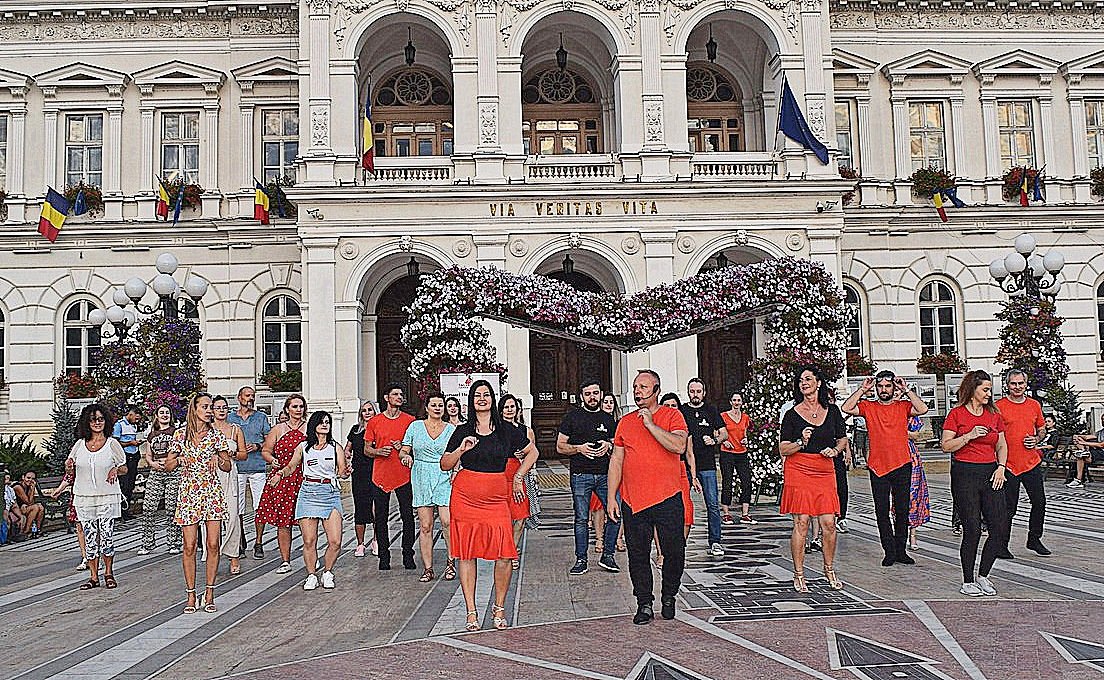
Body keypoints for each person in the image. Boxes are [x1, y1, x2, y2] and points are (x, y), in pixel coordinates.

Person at [442, 379, 538, 631]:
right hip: (465, 497)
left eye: (486, 394)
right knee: (466, 553)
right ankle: (471, 611)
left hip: (496, 499)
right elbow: (445, 464)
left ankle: (499, 607)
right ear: (471, 401)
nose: (482, 399)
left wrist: (518, 477)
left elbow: (533, 453)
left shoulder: (506, 429)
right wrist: (461, 450)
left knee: (505, 554)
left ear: (492, 399)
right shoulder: (462, 430)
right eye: (477, 395)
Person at [609, 371, 689, 625]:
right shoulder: (625, 422)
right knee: (638, 554)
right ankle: (644, 602)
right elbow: (617, 460)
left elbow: (679, 446)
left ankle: (669, 595)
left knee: (674, 551)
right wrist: (611, 496)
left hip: (668, 497)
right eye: (635, 387)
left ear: (656, 390)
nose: (637, 391)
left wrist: (651, 425)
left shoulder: (672, 415)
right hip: (634, 500)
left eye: (643, 387)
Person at [841, 370, 928, 567]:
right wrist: (863, 389)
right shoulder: (869, 406)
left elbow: (922, 409)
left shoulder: (903, 406)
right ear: (876, 388)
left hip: (902, 464)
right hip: (878, 466)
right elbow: (847, 407)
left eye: (888, 386)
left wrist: (905, 389)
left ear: (893, 387)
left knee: (902, 510)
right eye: (880, 386)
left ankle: (901, 551)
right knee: (881, 511)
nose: (884, 390)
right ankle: (889, 551)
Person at [941, 370, 1009, 597]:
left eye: (990, 389)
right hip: (965, 473)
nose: (989, 393)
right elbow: (946, 446)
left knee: (1000, 527)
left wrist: (1001, 467)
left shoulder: (993, 415)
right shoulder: (957, 414)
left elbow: (1001, 444)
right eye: (985, 389)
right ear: (972, 390)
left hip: (991, 473)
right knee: (972, 529)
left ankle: (984, 576)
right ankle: (968, 580)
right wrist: (968, 435)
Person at [779, 366, 847, 592]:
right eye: (800, 380)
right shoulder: (791, 414)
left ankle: (829, 569)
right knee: (802, 522)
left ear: (818, 383)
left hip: (825, 468)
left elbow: (842, 439)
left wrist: (835, 451)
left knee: (829, 523)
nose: (803, 383)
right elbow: (783, 448)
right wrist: (801, 442)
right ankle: (798, 574)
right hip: (799, 468)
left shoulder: (833, 411)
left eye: (808, 379)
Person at [166, 393, 234, 612]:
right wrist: (178, 460)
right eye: (205, 406)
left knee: (213, 543)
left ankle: (210, 592)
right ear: (194, 408)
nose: (209, 411)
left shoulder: (216, 436)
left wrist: (220, 459)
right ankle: (190, 595)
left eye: (210, 407)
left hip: (211, 492)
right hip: (188, 494)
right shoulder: (180, 435)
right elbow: (168, 465)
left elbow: (228, 466)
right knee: (189, 545)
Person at [276, 410, 348, 591]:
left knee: (335, 541)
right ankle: (311, 575)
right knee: (309, 540)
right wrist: (280, 474)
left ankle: (328, 572)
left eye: (328, 422)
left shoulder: (335, 447)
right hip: (308, 493)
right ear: (313, 424)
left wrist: (346, 472)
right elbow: (292, 466)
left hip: (329, 493)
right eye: (321, 422)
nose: (325, 425)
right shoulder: (303, 447)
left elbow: (342, 471)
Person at [557, 381, 620, 575]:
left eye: (595, 393)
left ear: (601, 394)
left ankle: (608, 555)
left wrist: (608, 446)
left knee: (616, 513)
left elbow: (617, 446)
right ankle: (581, 559)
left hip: (604, 475)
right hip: (580, 475)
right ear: (581, 396)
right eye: (587, 393)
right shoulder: (572, 417)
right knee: (581, 518)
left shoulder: (608, 418)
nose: (592, 397)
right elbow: (560, 446)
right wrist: (578, 448)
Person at [68, 403, 128, 590]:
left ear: (106, 421)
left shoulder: (112, 443)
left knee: (107, 536)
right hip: (84, 497)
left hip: (107, 496)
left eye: (101, 419)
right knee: (90, 536)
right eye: (93, 419)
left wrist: (116, 470)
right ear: (87, 422)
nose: (97, 423)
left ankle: (108, 573)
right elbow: (70, 466)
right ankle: (93, 576)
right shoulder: (79, 445)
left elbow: (125, 466)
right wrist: (69, 464)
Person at [398, 392, 456, 582]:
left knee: (447, 522)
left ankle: (450, 562)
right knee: (425, 525)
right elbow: (404, 449)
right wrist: (405, 456)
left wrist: (455, 472)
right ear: (427, 407)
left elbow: (456, 455)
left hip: (443, 475)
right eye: (434, 404)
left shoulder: (451, 429)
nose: (438, 408)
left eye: (441, 405)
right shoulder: (415, 427)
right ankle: (428, 568)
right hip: (421, 476)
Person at [994, 370, 1050, 558]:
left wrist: (1036, 439)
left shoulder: (1034, 405)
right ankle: (1002, 545)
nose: (1017, 387)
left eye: (1020, 383)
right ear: (1007, 385)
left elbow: (1041, 429)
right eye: (1013, 384)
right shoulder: (999, 406)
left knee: (1040, 502)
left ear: (1026, 384)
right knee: (1009, 507)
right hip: (1008, 464)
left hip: (1031, 462)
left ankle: (1034, 539)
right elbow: (993, 434)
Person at [365, 383, 417, 570]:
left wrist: (403, 447)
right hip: (380, 475)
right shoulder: (375, 421)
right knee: (381, 517)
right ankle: (384, 557)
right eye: (395, 394)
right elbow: (366, 449)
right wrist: (378, 451)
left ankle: (408, 555)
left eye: (401, 394)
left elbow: (416, 448)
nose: (399, 397)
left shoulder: (410, 421)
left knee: (408, 517)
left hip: (404, 475)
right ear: (386, 398)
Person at [258, 395, 308, 574]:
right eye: (294, 406)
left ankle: (311, 557)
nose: (298, 409)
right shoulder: (278, 429)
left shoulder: (310, 427)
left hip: (304, 478)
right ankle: (285, 560)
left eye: (301, 406)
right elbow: (265, 450)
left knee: (307, 521)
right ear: (287, 409)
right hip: (282, 478)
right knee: (283, 521)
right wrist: (272, 460)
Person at [680, 378, 727, 557]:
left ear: (704, 393)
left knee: (712, 504)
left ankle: (715, 541)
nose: (695, 395)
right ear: (688, 392)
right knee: (681, 504)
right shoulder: (683, 411)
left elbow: (724, 433)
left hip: (707, 464)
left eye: (698, 391)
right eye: (692, 391)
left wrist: (714, 440)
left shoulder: (711, 410)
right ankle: (679, 542)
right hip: (685, 464)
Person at [227, 386, 273, 560]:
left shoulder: (260, 417)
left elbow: (270, 438)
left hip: (257, 466)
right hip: (237, 467)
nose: (250, 398)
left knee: (259, 506)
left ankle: (259, 542)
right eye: (247, 396)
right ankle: (239, 539)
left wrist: (258, 446)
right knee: (236, 506)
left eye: (252, 396)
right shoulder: (231, 418)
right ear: (239, 398)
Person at [137, 405, 182, 556]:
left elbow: (182, 451)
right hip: (156, 472)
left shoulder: (176, 432)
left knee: (171, 508)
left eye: (167, 412)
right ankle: (147, 543)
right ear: (156, 415)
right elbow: (148, 455)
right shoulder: (152, 434)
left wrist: (172, 462)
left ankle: (174, 542)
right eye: (161, 412)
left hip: (173, 472)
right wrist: (152, 464)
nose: (165, 415)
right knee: (148, 507)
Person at [500, 394, 538, 570]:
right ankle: (508, 551)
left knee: (521, 516)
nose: (510, 410)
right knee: (505, 517)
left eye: (512, 406)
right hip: (502, 473)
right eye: (506, 407)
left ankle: (513, 548)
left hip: (520, 473)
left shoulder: (526, 430)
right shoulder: (497, 428)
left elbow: (532, 452)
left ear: (517, 409)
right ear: (501, 410)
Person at [211, 396, 248, 574]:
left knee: (232, 515)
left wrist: (233, 454)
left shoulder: (235, 429)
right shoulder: (207, 430)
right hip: (210, 475)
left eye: (224, 407)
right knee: (211, 520)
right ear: (212, 410)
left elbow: (244, 454)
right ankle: (213, 556)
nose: (221, 410)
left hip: (230, 474)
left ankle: (234, 556)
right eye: (217, 407)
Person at [346, 400, 379, 558]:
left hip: (376, 472)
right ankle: (360, 544)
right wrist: (345, 459)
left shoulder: (380, 429)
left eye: (370, 410)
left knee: (376, 508)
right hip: (359, 473)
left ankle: (376, 541)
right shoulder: (355, 430)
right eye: (364, 410)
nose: (366, 413)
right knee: (360, 507)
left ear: (375, 412)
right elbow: (348, 448)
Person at [720, 392, 755, 526]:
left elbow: (745, 432)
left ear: (741, 402)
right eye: (734, 400)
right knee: (727, 482)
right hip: (727, 452)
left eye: (738, 400)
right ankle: (726, 514)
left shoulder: (745, 417)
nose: (736, 402)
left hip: (742, 452)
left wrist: (746, 439)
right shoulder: (723, 416)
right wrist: (723, 441)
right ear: (730, 402)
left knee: (746, 481)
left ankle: (745, 514)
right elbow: (717, 432)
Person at [600, 393, 626, 553]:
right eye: (606, 402)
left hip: (617, 469)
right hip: (601, 470)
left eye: (611, 402)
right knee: (600, 508)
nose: (609, 405)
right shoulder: (596, 420)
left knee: (619, 505)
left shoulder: (619, 424)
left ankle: (617, 537)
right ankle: (601, 538)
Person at [112, 405, 142, 519]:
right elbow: (115, 443)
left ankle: (126, 510)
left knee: (130, 485)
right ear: (130, 414)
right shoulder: (119, 425)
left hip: (134, 456)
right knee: (123, 485)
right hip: (124, 457)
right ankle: (119, 512)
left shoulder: (133, 426)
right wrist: (130, 443)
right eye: (136, 418)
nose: (137, 420)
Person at [906, 415, 930, 551]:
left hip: (911, 456)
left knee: (913, 495)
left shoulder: (909, 413)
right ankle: (900, 533)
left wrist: (900, 432)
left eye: (899, 391)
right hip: (891, 455)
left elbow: (916, 436)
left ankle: (913, 533)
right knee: (895, 498)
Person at [1068, 412, 1104, 488]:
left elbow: (1101, 445)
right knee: (1080, 455)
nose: (1103, 421)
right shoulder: (1100, 432)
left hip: (1102, 453)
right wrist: (1078, 436)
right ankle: (1083, 451)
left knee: (1081, 456)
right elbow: (1088, 437)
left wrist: (1084, 443)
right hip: (1097, 452)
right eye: (1102, 419)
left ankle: (1078, 480)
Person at [13, 470, 45, 538]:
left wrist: (31, 489)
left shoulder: (28, 486)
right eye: (28, 478)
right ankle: (26, 531)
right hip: (15, 510)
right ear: (23, 477)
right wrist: (33, 488)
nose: (30, 480)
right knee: (36, 507)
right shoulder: (18, 487)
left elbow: (31, 502)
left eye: (33, 479)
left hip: (24, 508)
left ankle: (37, 530)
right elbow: (29, 502)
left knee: (40, 507)